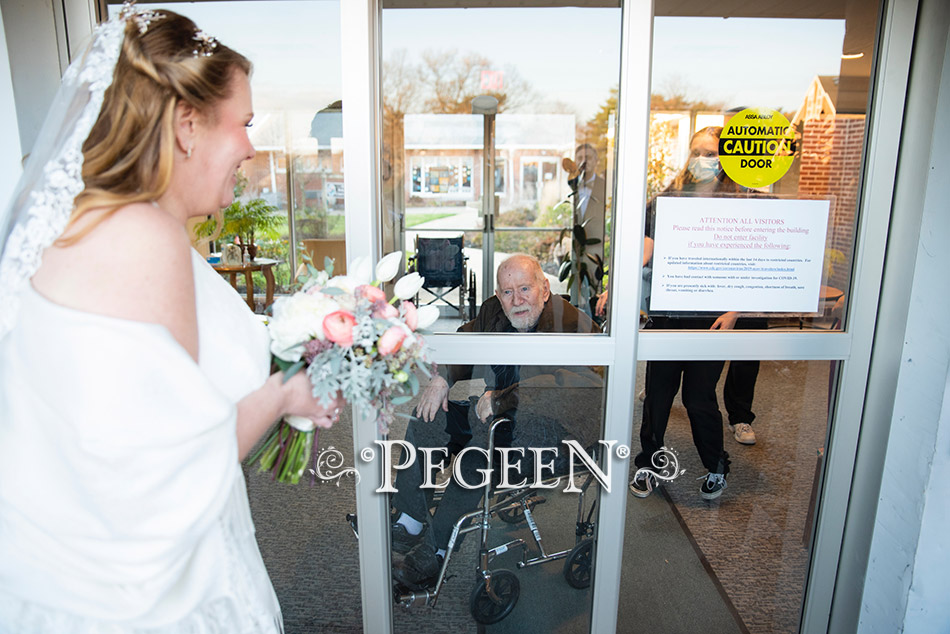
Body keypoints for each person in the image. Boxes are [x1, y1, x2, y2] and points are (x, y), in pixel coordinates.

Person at [0, 8, 341, 632]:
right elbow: (186, 465)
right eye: (242, 122)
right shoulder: (145, 238)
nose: (250, 145)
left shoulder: (88, 222)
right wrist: (284, 392)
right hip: (155, 593)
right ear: (188, 125)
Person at [390, 254, 602, 587]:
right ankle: (410, 518)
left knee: (477, 459)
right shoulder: (494, 311)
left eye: (525, 289)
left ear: (545, 289)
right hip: (496, 418)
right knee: (428, 417)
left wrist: (505, 399)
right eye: (507, 292)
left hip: (555, 431)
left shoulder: (573, 324)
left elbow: (581, 388)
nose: (516, 300)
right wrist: (443, 378)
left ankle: (435, 553)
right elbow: (465, 342)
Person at [627, 126, 744, 501]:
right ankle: (647, 465)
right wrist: (619, 285)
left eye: (710, 153)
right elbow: (646, 247)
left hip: (711, 318)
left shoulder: (738, 206)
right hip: (668, 312)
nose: (702, 160)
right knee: (658, 395)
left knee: (698, 398)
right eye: (696, 152)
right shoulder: (665, 201)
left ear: (725, 160)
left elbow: (747, 262)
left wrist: (734, 312)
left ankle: (716, 466)